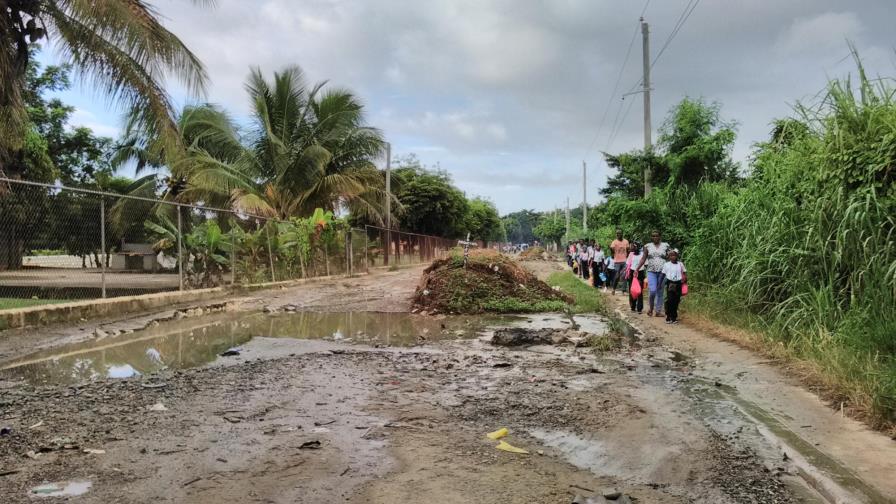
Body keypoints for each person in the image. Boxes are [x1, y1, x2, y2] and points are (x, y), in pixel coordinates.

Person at [637, 230, 670, 318]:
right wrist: (637, 268)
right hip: (651, 271)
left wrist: (667, 258)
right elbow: (643, 258)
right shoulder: (647, 246)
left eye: (657, 236)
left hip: (663, 272)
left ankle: (658, 311)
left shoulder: (665, 245)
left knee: (660, 291)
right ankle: (651, 308)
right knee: (652, 291)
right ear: (651, 237)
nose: (655, 237)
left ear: (660, 236)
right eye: (653, 236)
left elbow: (670, 257)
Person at [662, 249, 687, 324]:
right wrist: (660, 283)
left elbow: (684, 273)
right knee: (670, 300)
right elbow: (662, 274)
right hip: (670, 283)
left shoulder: (680, 264)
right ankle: (668, 316)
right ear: (669, 257)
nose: (673, 257)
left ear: (677, 256)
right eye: (671, 255)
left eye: (674, 255)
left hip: (678, 283)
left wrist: (685, 281)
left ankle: (674, 317)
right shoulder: (666, 264)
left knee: (676, 301)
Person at [626, 241, 645, 313]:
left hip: (640, 273)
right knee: (632, 290)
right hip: (632, 273)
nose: (632, 248)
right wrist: (627, 274)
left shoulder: (643, 255)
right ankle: (633, 306)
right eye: (632, 246)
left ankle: (639, 308)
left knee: (639, 290)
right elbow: (628, 265)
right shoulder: (631, 255)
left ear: (638, 247)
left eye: (634, 246)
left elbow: (645, 264)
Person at [610, 229, 629, 295]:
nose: (618, 235)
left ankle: (623, 290)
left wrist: (628, 259)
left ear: (622, 234)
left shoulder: (626, 241)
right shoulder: (614, 242)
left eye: (620, 233)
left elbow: (628, 250)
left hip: (624, 261)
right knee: (617, 276)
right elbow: (611, 250)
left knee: (625, 276)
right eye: (617, 233)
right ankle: (613, 288)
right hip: (617, 261)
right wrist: (613, 255)